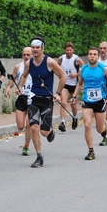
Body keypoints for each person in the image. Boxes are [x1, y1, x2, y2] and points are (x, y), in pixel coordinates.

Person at [17, 36, 66, 168]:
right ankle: (39, 157)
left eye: (37, 47)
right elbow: (24, 75)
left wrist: (58, 93)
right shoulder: (29, 63)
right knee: (33, 127)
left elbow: (63, 76)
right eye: (33, 47)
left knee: (44, 132)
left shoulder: (49, 62)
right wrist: (20, 87)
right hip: (33, 98)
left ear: (42, 48)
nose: (35, 49)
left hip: (46, 100)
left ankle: (50, 131)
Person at [71, 47, 107, 160]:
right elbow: (80, 84)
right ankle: (91, 151)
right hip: (87, 101)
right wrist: (74, 95)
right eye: (90, 54)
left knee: (99, 129)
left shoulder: (103, 69)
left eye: (94, 54)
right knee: (87, 125)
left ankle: (104, 130)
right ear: (87, 56)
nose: (92, 56)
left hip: (100, 101)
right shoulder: (83, 69)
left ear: (98, 56)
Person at [5, 47, 33, 156]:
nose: (26, 56)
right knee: (20, 126)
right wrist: (8, 88)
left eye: (28, 54)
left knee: (29, 123)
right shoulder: (18, 67)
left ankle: (26, 146)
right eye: (24, 54)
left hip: (32, 97)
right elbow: (12, 79)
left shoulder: (37, 67)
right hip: (20, 98)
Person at [57, 42, 84, 132]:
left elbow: (85, 69)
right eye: (67, 50)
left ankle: (75, 118)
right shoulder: (61, 59)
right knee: (63, 102)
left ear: (73, 50)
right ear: (65, 50)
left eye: (70, 50)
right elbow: (57, 68)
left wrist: (76, 74)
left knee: (73, 104)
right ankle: (63, 123)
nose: (68, 52)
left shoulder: (77, 59)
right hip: (65, 84)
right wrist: (60, 76)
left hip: (74, 85)